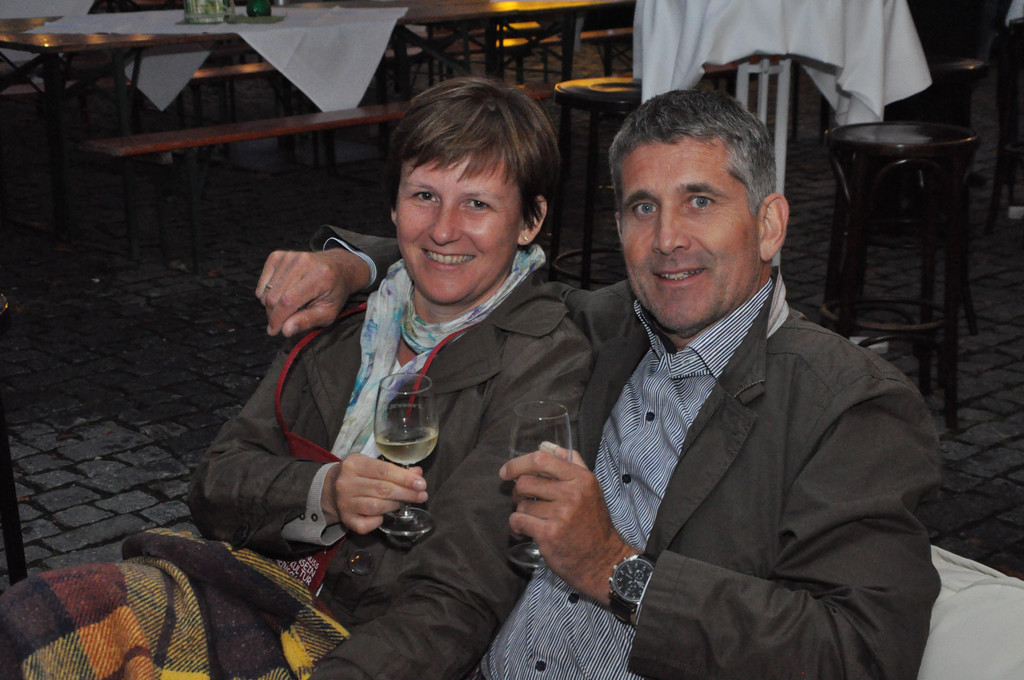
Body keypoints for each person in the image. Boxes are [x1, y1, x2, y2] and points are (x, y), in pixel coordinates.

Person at [259, 87, 942, 679]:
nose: (667, 238)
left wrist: (617, 569)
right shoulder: (602, 324)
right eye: (643, 208)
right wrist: (348, 265)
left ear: (768, 226)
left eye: (699, 201)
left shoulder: (850, 404)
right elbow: (464, 254)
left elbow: (864, 652)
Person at [0, 76, 591, 680]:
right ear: (393, 206)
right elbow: (215, 484)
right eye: (423, 196)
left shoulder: (542, 358)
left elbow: (460, 596)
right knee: (35, 619)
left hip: (366, 642)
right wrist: (324, 490)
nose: (443, 229)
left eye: (478, 204)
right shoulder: (347, 316)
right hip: (256, 587)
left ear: (530, 220)